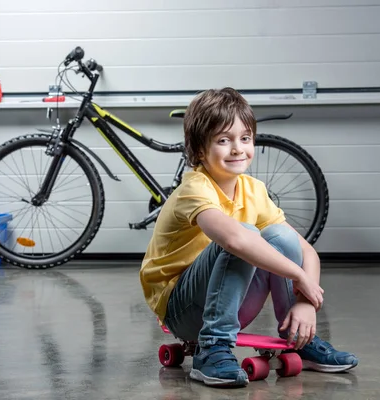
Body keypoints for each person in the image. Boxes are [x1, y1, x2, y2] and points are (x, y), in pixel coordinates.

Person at [139, 87, 359, 387]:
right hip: (181, 309)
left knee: (281, 236)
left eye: (245, 138)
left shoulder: (253, 189)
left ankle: (299, 339)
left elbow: (307, 252)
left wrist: (305, 303)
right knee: (245, 234)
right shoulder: (195, 188)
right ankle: (211, 349)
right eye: (223, 140)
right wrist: (298, 275)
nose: (237, 149)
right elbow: (234, 241)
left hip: (226, 303)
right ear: (200, 150)